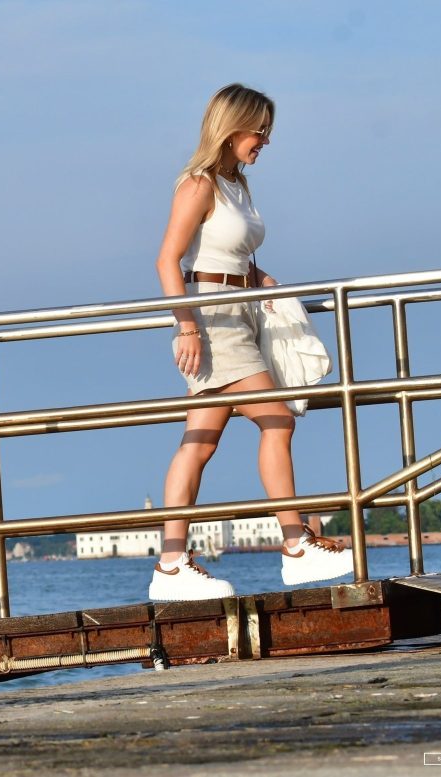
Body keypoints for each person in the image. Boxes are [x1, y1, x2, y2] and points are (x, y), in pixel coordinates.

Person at [148, 84, 353, 602]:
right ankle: (294, 543)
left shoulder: (236, 183)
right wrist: (187, 326)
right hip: (212, 319)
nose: (265, 140)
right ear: (231, 127)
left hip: (240, 312)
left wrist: (264, 283)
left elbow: (233, 253)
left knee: (200, 443)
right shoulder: (198, 184)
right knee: (277, 420)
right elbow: (168, 260)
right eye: (259, 131)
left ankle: (171, 563)